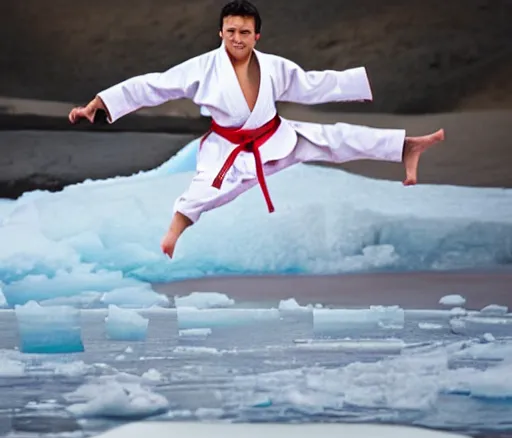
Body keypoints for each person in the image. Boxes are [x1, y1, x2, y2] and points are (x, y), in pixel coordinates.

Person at [69, 0, 444, 258]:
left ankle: (405, 147)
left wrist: (357, 82)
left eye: (245, 32)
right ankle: (174, 232)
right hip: (229, 146)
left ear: (256, 36)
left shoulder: (275, 67)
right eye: (231, 31)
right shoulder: (201, 68)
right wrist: (100, 105)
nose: (237, 38)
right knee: (205, 190)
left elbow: (313, 84)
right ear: (220, 33)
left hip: (275, 136)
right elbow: (154, 85)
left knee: (335, 137)